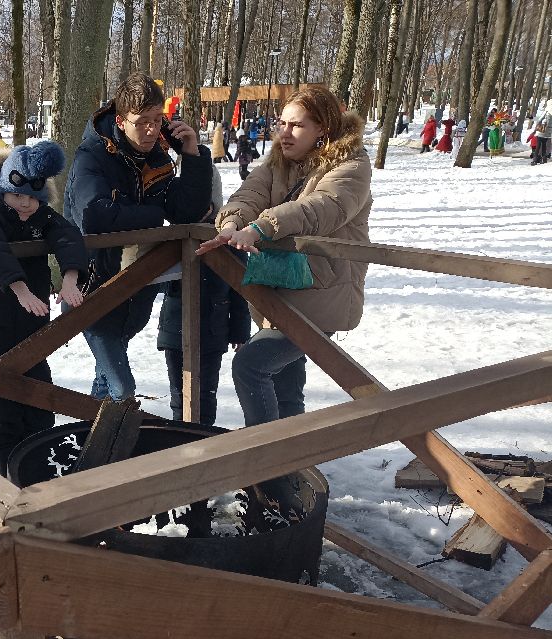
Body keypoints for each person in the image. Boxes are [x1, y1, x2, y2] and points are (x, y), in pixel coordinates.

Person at [197, 84, 371, 433]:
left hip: (321, 294)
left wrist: (261, 228)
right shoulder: (277, 160)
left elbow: (322, 209)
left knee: (251, 365)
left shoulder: (352, 164)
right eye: (281, 123)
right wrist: (232, 222)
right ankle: (292, 465)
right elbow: (249, 194)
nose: (284, 133)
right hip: (276, 293)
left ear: (322, 128)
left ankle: (268, 462)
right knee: (285, 387)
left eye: (297, 125)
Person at [64, 71, 214, 402]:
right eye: (142, 121)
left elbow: (187, 212)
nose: (151, 129)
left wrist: (191, 154)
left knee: (106, 382)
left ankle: (96, 448)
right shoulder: (92, 156)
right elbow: (94, 217)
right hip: (90, 290)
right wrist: (152, 215)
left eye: (158, 119)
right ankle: (107, 447)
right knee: (122, 389)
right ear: (120, 120)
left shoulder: (157, 156)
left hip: (138, 288)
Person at [0, 141, 88, 476]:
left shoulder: (39, 215)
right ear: (3, 188)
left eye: (34, 198)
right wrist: (19, 289)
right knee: (5, 414)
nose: (25, 204)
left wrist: (70, 278)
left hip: (32, 333)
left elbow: (67, 236)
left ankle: (38, 478)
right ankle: (10, 480)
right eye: (18, 195)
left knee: (39, 408)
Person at [156, 168, 250, 424]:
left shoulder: (227, 240)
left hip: (213, 329)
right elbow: (154, 281)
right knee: (179, 393)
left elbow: (241, 290)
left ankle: (203, 442)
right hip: (175, 328)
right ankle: (179, 440)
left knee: (206, 392)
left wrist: (240, 332)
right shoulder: (171, 237)